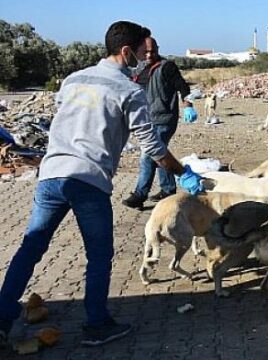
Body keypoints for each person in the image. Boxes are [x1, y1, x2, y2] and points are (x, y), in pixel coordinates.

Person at [0, 21, 203, 348]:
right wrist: (183, 172)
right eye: (140, 53)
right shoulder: (129, 91)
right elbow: (151, 146)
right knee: (98, 254)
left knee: (31, 247)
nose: (143, 60)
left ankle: (2, 318)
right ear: (126, 52)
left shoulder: (72, 80)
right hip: (87, 181)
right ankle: (96, 324)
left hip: (51, 175)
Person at [122, 37, 196, 209]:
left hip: (164, 119)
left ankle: (140, 195)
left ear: (158, 49)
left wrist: (188, 105)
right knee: (160, 155)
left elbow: (182, 86)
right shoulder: (139, 69)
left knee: (148, 155)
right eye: (145, 52)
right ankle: (168, 190)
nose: (149, 55)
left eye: (152, 51)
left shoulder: (167, 67)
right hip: (146, 120)